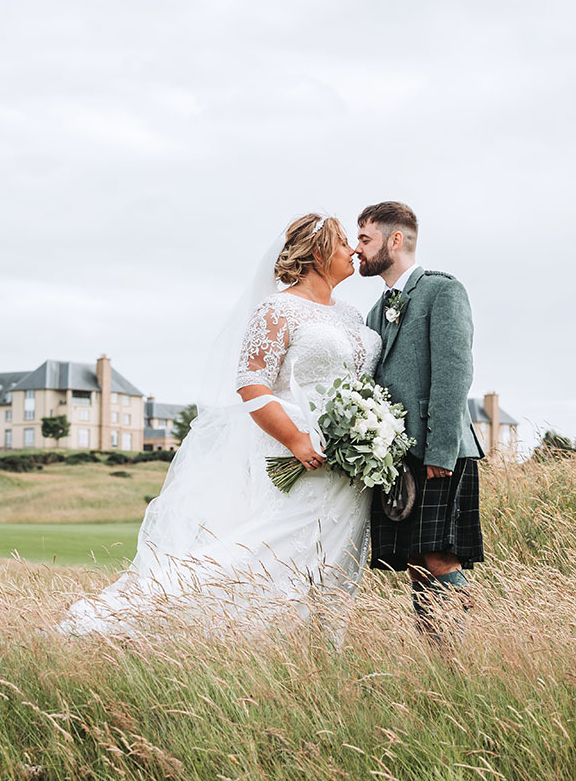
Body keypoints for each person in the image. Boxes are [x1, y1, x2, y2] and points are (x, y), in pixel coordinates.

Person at [58, 214, 381, 637]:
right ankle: (126, 620)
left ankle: (317, 645)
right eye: (344, 245)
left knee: (334, 554)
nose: (354, 251)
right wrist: (296, 439)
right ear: (319, 254)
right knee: (276, 547)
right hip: (298, 454)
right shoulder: (278, 308)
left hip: (352, 463)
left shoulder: (354, 315)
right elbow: (251, 381)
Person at [354, 201, 484, 640]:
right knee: (413, 560)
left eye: (365, 239)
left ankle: (458, 655)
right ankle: (437, 657)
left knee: (439, 557)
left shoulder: (442, 291)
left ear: (395, 240)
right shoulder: (375, 311)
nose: (357, 250)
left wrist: (441, 449)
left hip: (438, 450)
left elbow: (454, 372)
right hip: (395, 455)